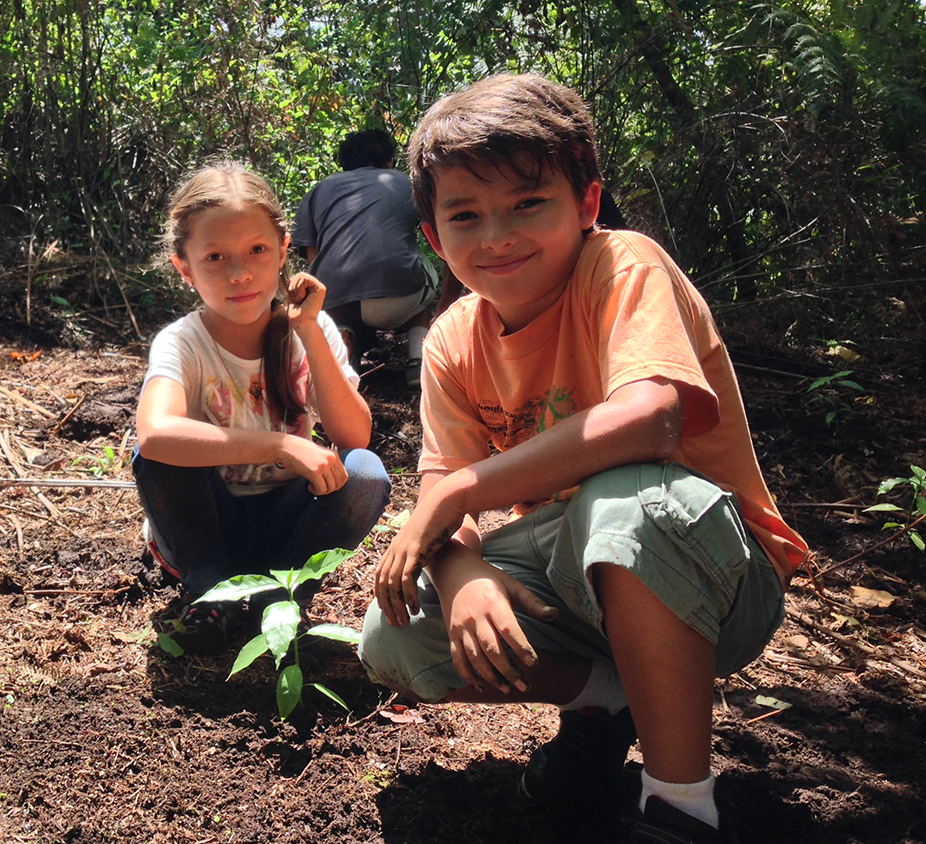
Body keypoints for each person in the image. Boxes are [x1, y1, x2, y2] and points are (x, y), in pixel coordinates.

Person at [358, 75, 807, 843]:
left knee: (624, 498)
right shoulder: (452, 341)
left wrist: (461, 491)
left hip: (722, 576)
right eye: (466, 215)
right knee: (395, 635)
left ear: (586, 204)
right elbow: (442, 484)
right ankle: (604, 700)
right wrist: (461, 572)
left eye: (528, 204)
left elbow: (651, 419)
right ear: (434, 237)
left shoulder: (621, 265)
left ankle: (679, 808)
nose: (497, 236)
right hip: (583, 572)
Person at [134, 161, 391, 653]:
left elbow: (355, 436)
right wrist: (279, 445)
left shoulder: (307, 333)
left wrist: (309, 331)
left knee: (365, 473)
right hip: (209, 523)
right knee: (157, 458)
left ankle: (282, 599)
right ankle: (211, 592)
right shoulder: (183, 343)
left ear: (282, 252)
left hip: (287, 523)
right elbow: (154, 435)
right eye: (214, 257)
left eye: (257, 250)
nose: (240, 273)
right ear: (183, 268)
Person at [292, 128, 436, 382]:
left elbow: (313, 259)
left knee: (343, 291)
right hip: (397, 297)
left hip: (333, 303)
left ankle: (344, 339)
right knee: (422, 272)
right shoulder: (405, 183)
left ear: (345, 163)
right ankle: (418, 361)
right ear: (390, 160)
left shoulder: (319, 190)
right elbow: (439, 238)